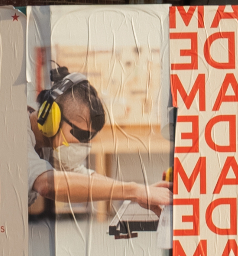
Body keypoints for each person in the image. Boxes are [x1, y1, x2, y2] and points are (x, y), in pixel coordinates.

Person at [27, 65, 166, 229]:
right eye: (80, 134)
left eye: (88, 137)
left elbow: (84, 178)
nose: (81, 143)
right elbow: (47, 184)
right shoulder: (14, 134)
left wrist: (141, 192)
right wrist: (133, 190)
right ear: (52, 117)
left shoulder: (47, 145)